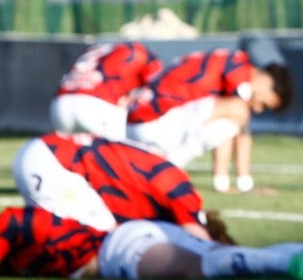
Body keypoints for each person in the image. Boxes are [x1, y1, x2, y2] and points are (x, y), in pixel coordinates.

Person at [0, 206, 303, 280]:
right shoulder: (20, 226)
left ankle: (287, 265)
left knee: (202, 268)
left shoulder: (1, 228)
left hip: (119, 250)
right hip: (139, 230)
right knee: (214, 256)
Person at [125, 47, 292, 191]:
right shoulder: (239, 68)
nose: (258, 109)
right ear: (267, 81)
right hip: (153, 121)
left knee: (231, 115)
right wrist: (244, 183)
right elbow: (240, 124)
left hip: (138, 122)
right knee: (238, 111)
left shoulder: (231, 60)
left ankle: (163, 165)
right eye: (264, 104)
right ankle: (169, 167)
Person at [11, 130, 222, 241]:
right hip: (56, 163)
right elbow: (200, 244)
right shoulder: (184, 194)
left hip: (46, 153)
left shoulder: (170, 175)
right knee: (99, 246)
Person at [50, 40, 163, 140]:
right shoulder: (142, 54)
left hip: (59, 105)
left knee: (71, 158)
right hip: (96, 104)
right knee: (116, 157)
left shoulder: (97, 50)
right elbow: (156, 92)